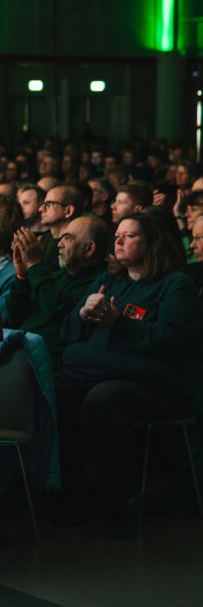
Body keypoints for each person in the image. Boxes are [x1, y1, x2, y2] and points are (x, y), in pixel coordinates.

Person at [55, 211, 202, 536]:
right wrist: (81, 314)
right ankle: (74, 497)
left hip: (158, 388)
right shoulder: (110, 280)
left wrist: (119, 324)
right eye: (117, 234)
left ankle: (118, 503)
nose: (118, 240)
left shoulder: (174, 285)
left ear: (152, 243)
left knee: (103, 400)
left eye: (130, 235)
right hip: (92, 375)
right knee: (58, 393)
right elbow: (66, 332)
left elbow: (174, 342)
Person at [8, 216, 109, 366]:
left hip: (47, 361)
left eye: (67, 238)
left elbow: (56, 308)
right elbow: (15, 316)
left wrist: (35, 265)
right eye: (61, 238)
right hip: (19, 350)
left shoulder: (100, 284)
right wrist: (22, 276)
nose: (59, 244)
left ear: (88, 249)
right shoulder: (55, 276)